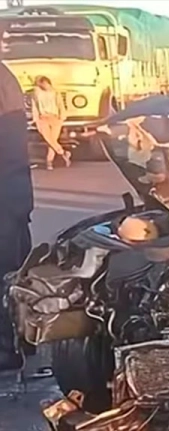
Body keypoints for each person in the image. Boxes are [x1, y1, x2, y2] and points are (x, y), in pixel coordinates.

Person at [0, 61, 34, 371]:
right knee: (17, 271)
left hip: (5, 194)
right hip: (13, 194)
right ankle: (23, 339)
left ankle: (7, 349)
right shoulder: (5, 75)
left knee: (6, 274)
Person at [31, 75, 71, 170]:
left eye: (46, 83)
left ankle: (49, 162)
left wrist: (62, 116)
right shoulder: (36, 93)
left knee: (52, 140)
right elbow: (34, 106)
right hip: (43, 118)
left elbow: (60, 104)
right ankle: (63, 153)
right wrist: (35, 118)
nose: (45, 85)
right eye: (42, 84)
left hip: (55, 117)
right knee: (48, 139)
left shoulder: (55, 92)